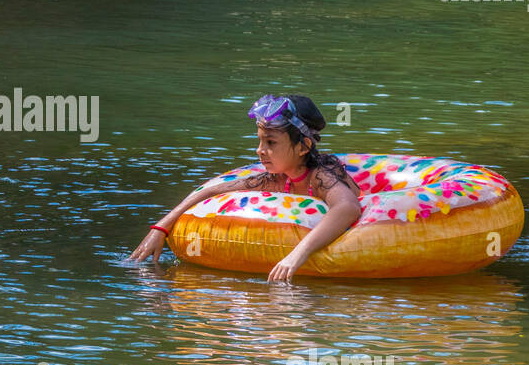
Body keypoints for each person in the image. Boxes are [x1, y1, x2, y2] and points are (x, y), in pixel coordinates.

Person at [127, 94, 362, 282]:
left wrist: (297, 254)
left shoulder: (321, 176)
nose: (260, 150)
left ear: (304, 147)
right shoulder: (275, 179)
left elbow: (347, 207)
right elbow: (212, 191)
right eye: (260, 140)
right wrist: (160, 228)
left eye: (270, 143)